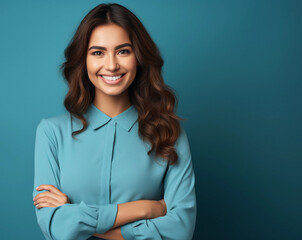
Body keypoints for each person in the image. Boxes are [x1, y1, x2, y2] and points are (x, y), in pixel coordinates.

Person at [32, 3, 196, 240]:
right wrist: (146, 209)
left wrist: (77, 217)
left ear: (138, 57)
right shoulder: (51, 132)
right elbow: (56, 228)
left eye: (123, 51)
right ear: (83, 60)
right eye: (98, 52)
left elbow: (180, 230)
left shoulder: (170, 133)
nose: (111, 65)